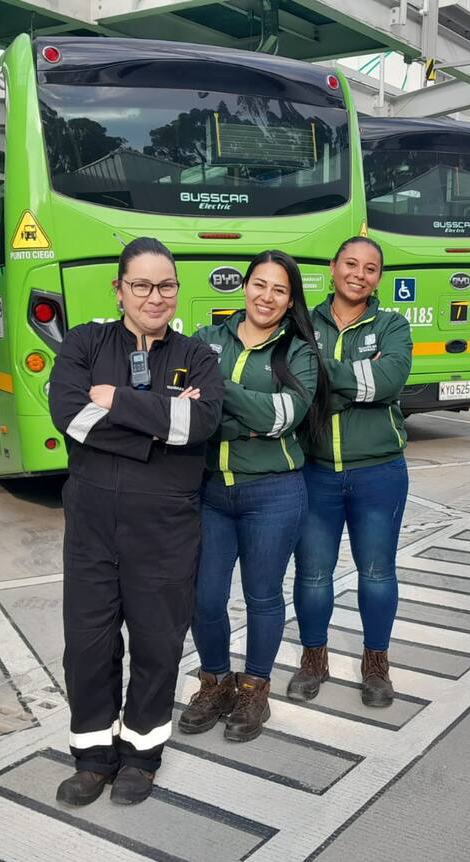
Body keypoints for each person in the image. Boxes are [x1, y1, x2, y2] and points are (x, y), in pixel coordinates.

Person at [47, 237, 223, 806]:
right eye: (141, 285)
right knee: (88, 645)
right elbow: (70, 415)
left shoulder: (199, 356)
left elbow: (199, 425)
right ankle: (92, 757)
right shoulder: (84, 343)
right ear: (119, 290)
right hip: (92, 527)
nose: (155, 296)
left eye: (166, 285)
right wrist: (159, 428)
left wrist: (117, 401)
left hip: (165, 528)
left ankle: (141, 757)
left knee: (156, 645)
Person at [179, 251, 329, 742]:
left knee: (262, 596)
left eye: (279, 290)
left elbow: (282, 417)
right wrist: (243, 418)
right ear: (244, 287)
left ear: (290, 300)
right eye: (259, 285)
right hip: (210, 492)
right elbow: (188, 413)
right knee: (204, 597)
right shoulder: (206, 338)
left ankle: (253, 691)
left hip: (274, 493)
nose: (267, 297)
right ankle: (216, 684)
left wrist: (219, 392)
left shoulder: (299, 352)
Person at [288, 235, 412, 708]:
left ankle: (376, 664)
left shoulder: (393, 324)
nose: (359, 274)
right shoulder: (302, 323)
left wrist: (324, 375)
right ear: (333, 267)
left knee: (377, 573)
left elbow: (390, 380)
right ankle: (313, 659)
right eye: (351, 264)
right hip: (314, 472)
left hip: (379, 473)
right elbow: (295, 384)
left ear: (379, 278)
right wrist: (359, 378)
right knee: (312, 574)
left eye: (370, 268)